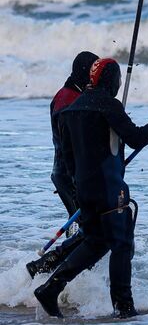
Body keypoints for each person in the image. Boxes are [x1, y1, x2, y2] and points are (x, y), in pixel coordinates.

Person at [34, 58, 148, 318]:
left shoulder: (72, 109)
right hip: (108, 188)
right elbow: (136, 138)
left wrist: (86, 182)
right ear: (110, 80)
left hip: (83, 189)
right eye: (118, 80)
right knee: (121, 244)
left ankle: (50, 288)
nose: (119, 85)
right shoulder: (109, 105)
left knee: (95, 242)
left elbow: (68, 158)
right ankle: (123, 307)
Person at [26, 51, 98, 279]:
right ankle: (51, 270)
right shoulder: (66, 99)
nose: (95, 77)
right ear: (83, 72)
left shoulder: (75, 94)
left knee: (86, 225)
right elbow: (72, 140)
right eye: (93, 71)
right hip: (69, 175)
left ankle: (66, 271)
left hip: (72, 172)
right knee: (87, 227)